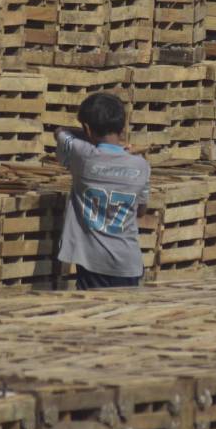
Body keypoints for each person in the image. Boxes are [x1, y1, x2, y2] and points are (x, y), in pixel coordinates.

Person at [55, 92, 151, 289]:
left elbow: (60, 132)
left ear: (88, 129)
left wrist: (85, 134)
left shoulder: (83, 156)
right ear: (122, 128)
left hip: (92, 261)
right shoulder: (141, 166)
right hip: (127, 262)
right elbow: (140, 211)